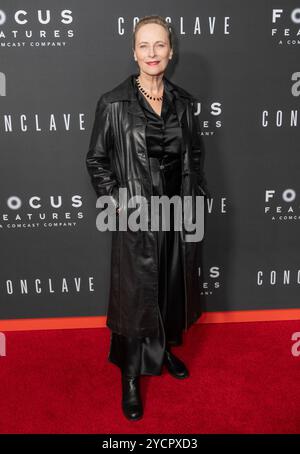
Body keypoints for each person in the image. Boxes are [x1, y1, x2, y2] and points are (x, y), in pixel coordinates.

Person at [86, 15, 210, 421]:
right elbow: (97, 160)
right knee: (133, 297)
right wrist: (116, 202)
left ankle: (163, 352)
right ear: (133, 51)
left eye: (160, 45)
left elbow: (194, 154)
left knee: (171, 286)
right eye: (144, 45)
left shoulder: (184, 102)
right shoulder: (114, 102)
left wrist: (198, 194)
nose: (152, 53)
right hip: (136, 213)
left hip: (178, 211)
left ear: (171, 51)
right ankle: (130, 376)